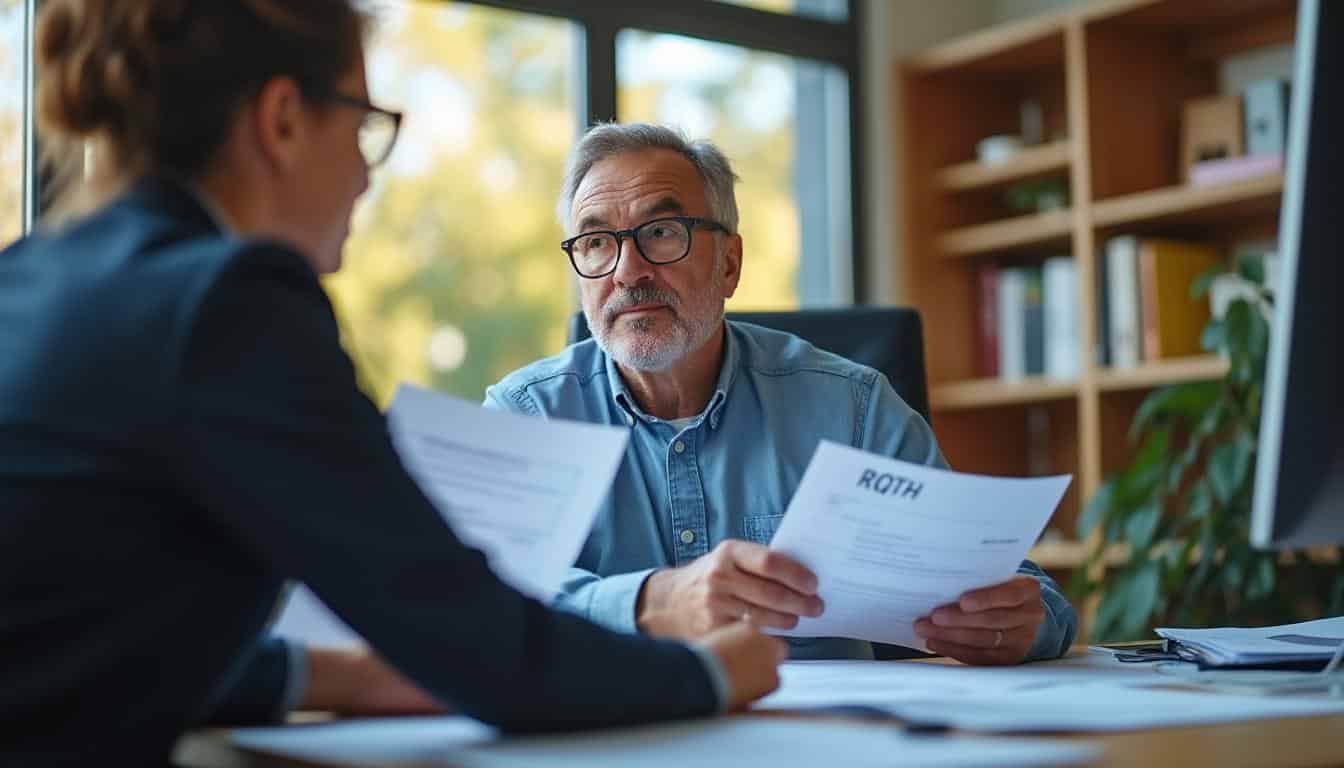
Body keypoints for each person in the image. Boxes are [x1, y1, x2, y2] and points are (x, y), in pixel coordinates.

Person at [0, 5, 785, 766]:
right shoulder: (229, 302)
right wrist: (714, 675)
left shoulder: (31, 280)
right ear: (281, 120)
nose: (364, 177)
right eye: (362, 125)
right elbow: (478, 641)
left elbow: (90, 635)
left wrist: (337, 676)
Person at [485, 123, 1078, 665]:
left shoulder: (851, 408)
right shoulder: (527, 417)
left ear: (729, 263)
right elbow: (477, 604)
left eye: (661, 233)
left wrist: (1018, 623)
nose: (626, 270)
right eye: (595, 243)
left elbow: (1023, 592)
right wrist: (651, 602)